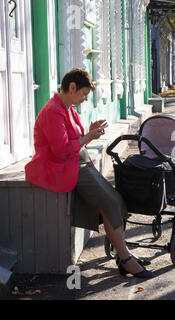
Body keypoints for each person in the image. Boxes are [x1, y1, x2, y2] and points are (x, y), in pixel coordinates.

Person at [25, 68, 153, 278]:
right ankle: (126, 259)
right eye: (84, 94)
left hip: (78, 164)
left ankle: (125, 254)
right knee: (109, 202)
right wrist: (88, 137)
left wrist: (88, 134)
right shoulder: (53, 111)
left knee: (114, 199)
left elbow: (73, 141)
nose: (85, 99)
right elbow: (62, 150)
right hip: (61, 168)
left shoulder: (66, 107)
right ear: (72, 87)